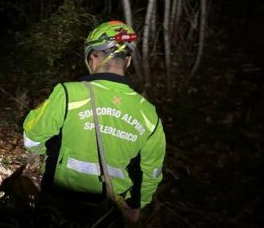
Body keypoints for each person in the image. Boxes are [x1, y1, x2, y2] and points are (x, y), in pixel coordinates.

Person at [22, 21, 166, 226]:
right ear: (128, 61)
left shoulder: (68, 93)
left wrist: (51, 148)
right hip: (108, 213)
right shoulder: (149, 113)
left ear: (92, 57)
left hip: (59, 205)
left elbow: (31, 138)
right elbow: (151, 171)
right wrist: (136, 204)